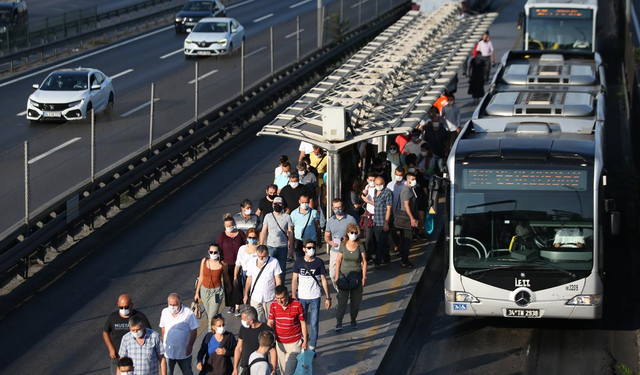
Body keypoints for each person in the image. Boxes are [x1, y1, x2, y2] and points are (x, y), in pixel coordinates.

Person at [291, 239, 331, 352]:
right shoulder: (298, 262)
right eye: (309, 248)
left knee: (314, 324)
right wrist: (293, 295)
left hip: (315, 297)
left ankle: (312, 347)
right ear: (304, 249)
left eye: (313, 247)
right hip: (301, 298)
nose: (311, 250)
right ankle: (304, 344)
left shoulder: (319, 262)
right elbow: (294, 280)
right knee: (301, 323)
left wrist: (328, 297)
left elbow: (323, 280)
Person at [103, 294, 152, 375]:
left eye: (126, 307)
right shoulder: (113, 317)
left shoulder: (139, 316)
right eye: (121, 307)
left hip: (134, 356)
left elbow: (148, 332)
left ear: (131, 305)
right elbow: (105, 332)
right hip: (117, 355)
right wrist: (111, 349)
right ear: (117, 305)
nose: (123, 309)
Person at [267, 285, 308, 375]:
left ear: (287, 295)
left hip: (294, 344)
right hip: (280, 344)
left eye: (282, 298)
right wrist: (268, 336)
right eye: (277, 298)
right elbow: (270, 322)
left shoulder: (297, 305)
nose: (280, 301)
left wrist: (305, 340)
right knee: (283, 372)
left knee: (288, 372)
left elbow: (302, 323)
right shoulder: (273, 305)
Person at [334, 223, 367, 331]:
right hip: (344, 276)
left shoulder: (360, 245)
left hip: (356, 276)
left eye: (355, 233)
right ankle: (339, 322)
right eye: (351, 232)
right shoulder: (343, 245)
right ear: (348, 233)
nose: (353, 234)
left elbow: (364, 262)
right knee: (342, 301)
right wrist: (337, 276)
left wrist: (364, 277)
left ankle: (353, 320)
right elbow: (338, 260)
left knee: (356, 301)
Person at [159, 293, 199, 375]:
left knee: (187, 372)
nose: (172, 307)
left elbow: (193, 330)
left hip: (183, 352)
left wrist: (190, 345)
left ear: (180, 303)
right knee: (168, 372)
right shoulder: (165, 312)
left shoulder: (188, 313)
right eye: (170, 305)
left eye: (175, 305)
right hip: (169, 352)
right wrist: (163, 343)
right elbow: (163, 328)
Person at [232, 306, 277, 375]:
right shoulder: (243, 328)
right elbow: (239, 348)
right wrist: (235, 368)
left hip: (259, 367)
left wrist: (273, 370)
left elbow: (272, 351)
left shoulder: (266, 331)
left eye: (243, 319)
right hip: (244, 367)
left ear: (251, 320)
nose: (242, 321)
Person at [244, 245, 283, 322]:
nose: (261, 258)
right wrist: (246, 295)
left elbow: (278, 280)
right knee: (257, 321)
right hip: (255, 297)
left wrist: (278, 295)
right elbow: (249, 279)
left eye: (263, 256)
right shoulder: (251, 262)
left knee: (271, 321)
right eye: (259, 256)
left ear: (268, 254)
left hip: (269, 298)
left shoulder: (274, 262)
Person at [260, 197, 293, 285]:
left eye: (279, 204)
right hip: (270, 247)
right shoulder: (268, 216)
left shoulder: (287, 217)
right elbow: (263, 231)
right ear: (272, 205)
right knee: (268, 270)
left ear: (283, 205)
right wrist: (261, 245)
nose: (277, 206)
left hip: (283, 247)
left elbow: (290, 232)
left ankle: (280, 291)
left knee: (281, 271)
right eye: (275, 204)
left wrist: (291, 249)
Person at [195, 244, 232, 325]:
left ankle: (210, 335)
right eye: (211, 252)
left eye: (215, 252)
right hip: (204, 291)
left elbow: (226, 278)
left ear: (219, 253)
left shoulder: (223, 264)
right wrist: (197, 293)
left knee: (212, 316)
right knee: (209, 315)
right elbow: (201, 277)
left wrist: (229, 288)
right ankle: (217, 323)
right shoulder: (204, 261)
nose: (213, 254)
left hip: (217, 293)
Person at [218, 214, 246, 315]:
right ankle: (231, 306)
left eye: (231, 225)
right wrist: (221, 261)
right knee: (228, 285)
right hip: (226, 265)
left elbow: (245, 247)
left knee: (237, 284)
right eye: (227, 226)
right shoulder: (222, 236)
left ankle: (238, 306)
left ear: (234, 224)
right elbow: (219, 249)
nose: (230, 227)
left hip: (238, 264)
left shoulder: (241, 234)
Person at [361, 176, 392, 268]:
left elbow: (389, 209)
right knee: (379, 240)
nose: (378, 186)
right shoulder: (375, 191)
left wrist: (386, 222)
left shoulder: (387, 193)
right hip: (375, 220)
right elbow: (376, 204)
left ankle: (377, 261)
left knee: (381, 242)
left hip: (383, 221)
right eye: (377, 184)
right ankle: (386, 256)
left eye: (380, 184)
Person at [396, 173, 419, 268]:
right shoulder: (406, 190)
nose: (414, 181)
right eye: (413, 179)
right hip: (406, 219)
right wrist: (412, 218)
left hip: (405, 218)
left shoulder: (410, 189)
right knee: (407, 239)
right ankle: (404, 261)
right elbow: (406, 205)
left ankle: (402, 255)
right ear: (408, 180)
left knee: (403, 238)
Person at [235, 228, 260, 311]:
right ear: (246, 237)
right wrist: (235, 276)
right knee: (246, 293)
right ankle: (249, 308)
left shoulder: (260, 248)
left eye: (254, 238)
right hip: (245, 274)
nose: (251, 239)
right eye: (250, 237)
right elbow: (238, 264)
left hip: (256, 274)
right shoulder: (242, 249)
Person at [290, 194, 321, 259]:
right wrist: (290, 243)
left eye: (306, 202)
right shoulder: (294, 213)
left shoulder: (314, 212)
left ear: (309, 202)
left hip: (311, 241)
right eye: (302, 202)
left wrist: (319, 240)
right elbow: (290, 229)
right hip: (298, 241)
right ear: (299, 201)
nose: (304, 204)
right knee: (299, 261)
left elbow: (318, 227)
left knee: (311, 260)